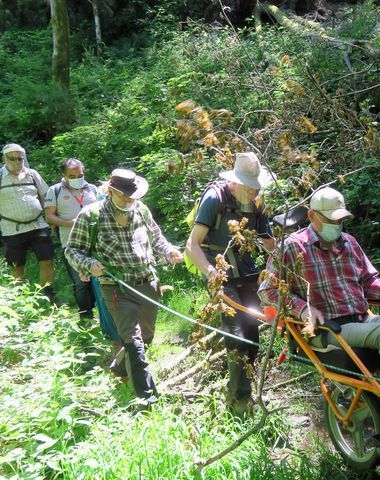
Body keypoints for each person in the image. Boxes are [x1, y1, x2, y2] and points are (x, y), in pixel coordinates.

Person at [258, 186, 380, 450]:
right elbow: (267, 291)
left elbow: (369, 280)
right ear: (312, 215)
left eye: (340, 219)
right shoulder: (291, 247)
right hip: (327, 329)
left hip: (362, 321)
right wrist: (302, 309)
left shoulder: (349, 243)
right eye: (331, 219)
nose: (336, 224)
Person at [65, 168, 183, 404]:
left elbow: (157, 238)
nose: (130, 200)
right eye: (125, 196)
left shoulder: (141, 210)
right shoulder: (91, 216)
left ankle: (119, 366)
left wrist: (169, 251)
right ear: (110, 191)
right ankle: (147, 400)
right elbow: (72, 250)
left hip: (148, 283)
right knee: (134, 342)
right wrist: (89, 264)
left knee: (146, 339)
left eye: (133, 196)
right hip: (115, 288)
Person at [185, 152, 275, 416]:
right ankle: (238, 405)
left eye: (257, 186)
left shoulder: (257, 202)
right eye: (251, 186)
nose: (255, 191)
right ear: (236, 182)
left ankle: (245, 388)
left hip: (247, 272)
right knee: (236, 336)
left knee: (253, 336)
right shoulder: (215, 199)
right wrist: (211, 272)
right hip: (221, 275)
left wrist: (283, 261)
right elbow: (193, 245)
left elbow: (268, 241)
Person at [0, 143, 58, 303]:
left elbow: (45, 197)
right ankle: (20, 299)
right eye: (13, 158)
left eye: (20, 158)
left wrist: (51, 218)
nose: (18, 161)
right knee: (17, 267)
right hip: (12, 229)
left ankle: (47, 295)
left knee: (47, 261)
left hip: (38, 225)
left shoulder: (32, 174)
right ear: (4, 158)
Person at [45, 158, 98, 320]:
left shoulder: (93, 189)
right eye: (72, 176)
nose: (76, 179)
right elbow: (49, 217)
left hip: (96, 243)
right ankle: (86, 316)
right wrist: (71, 223)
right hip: (71, 244)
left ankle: (104, 313)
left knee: (100, 279)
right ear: (64, 175)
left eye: (79, 175)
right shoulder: (54, 191)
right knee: (80, 282)